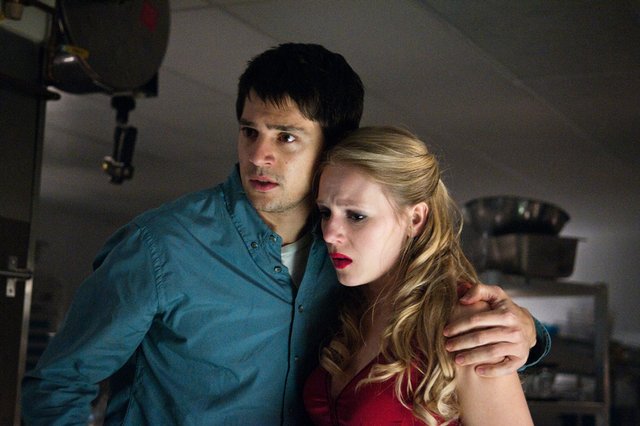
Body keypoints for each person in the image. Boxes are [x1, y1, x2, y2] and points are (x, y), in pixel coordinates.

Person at [22, 43, 547, 425]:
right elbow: (59, 383)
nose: (259, 156)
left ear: (332, 147)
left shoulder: (346, 252)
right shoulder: (162, 246)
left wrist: (529, 332)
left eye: (286, 137)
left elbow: (429, 307)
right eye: (249, 131)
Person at [304, 126, 533, 425]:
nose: (330, 234)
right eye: (325, 213)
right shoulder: (345, 305)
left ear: (415, 219)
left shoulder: (462, 319)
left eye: (356, 216)